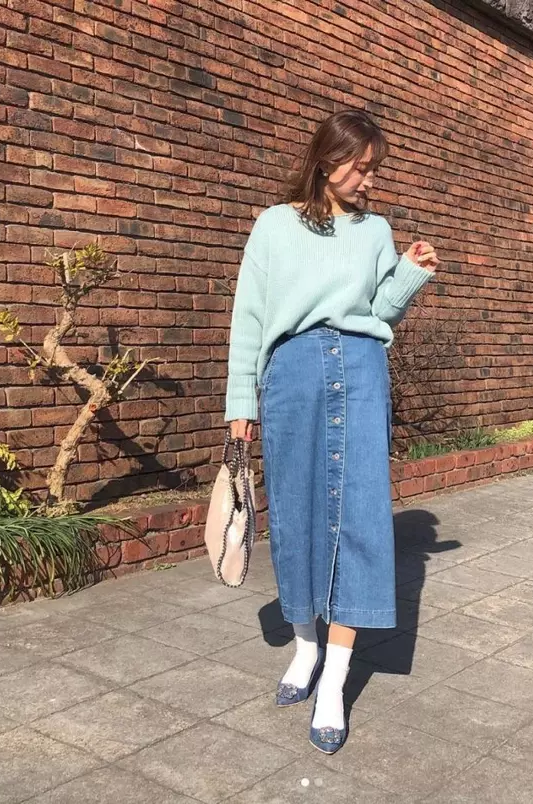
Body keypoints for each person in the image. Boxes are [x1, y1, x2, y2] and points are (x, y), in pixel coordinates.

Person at [224, 109, 439, 753]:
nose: (368, 180)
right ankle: (305, 647)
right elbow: (249, 317)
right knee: (296, 512)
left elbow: (380, 312)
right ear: (327, 159)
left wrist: (409, 273)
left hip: (362, 368)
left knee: (362, 515)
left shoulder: (376, 231)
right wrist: (240, 404)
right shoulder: (273, 224)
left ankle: (335, 680)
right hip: (291, 373)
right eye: (360, 167)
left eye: (374, 170)